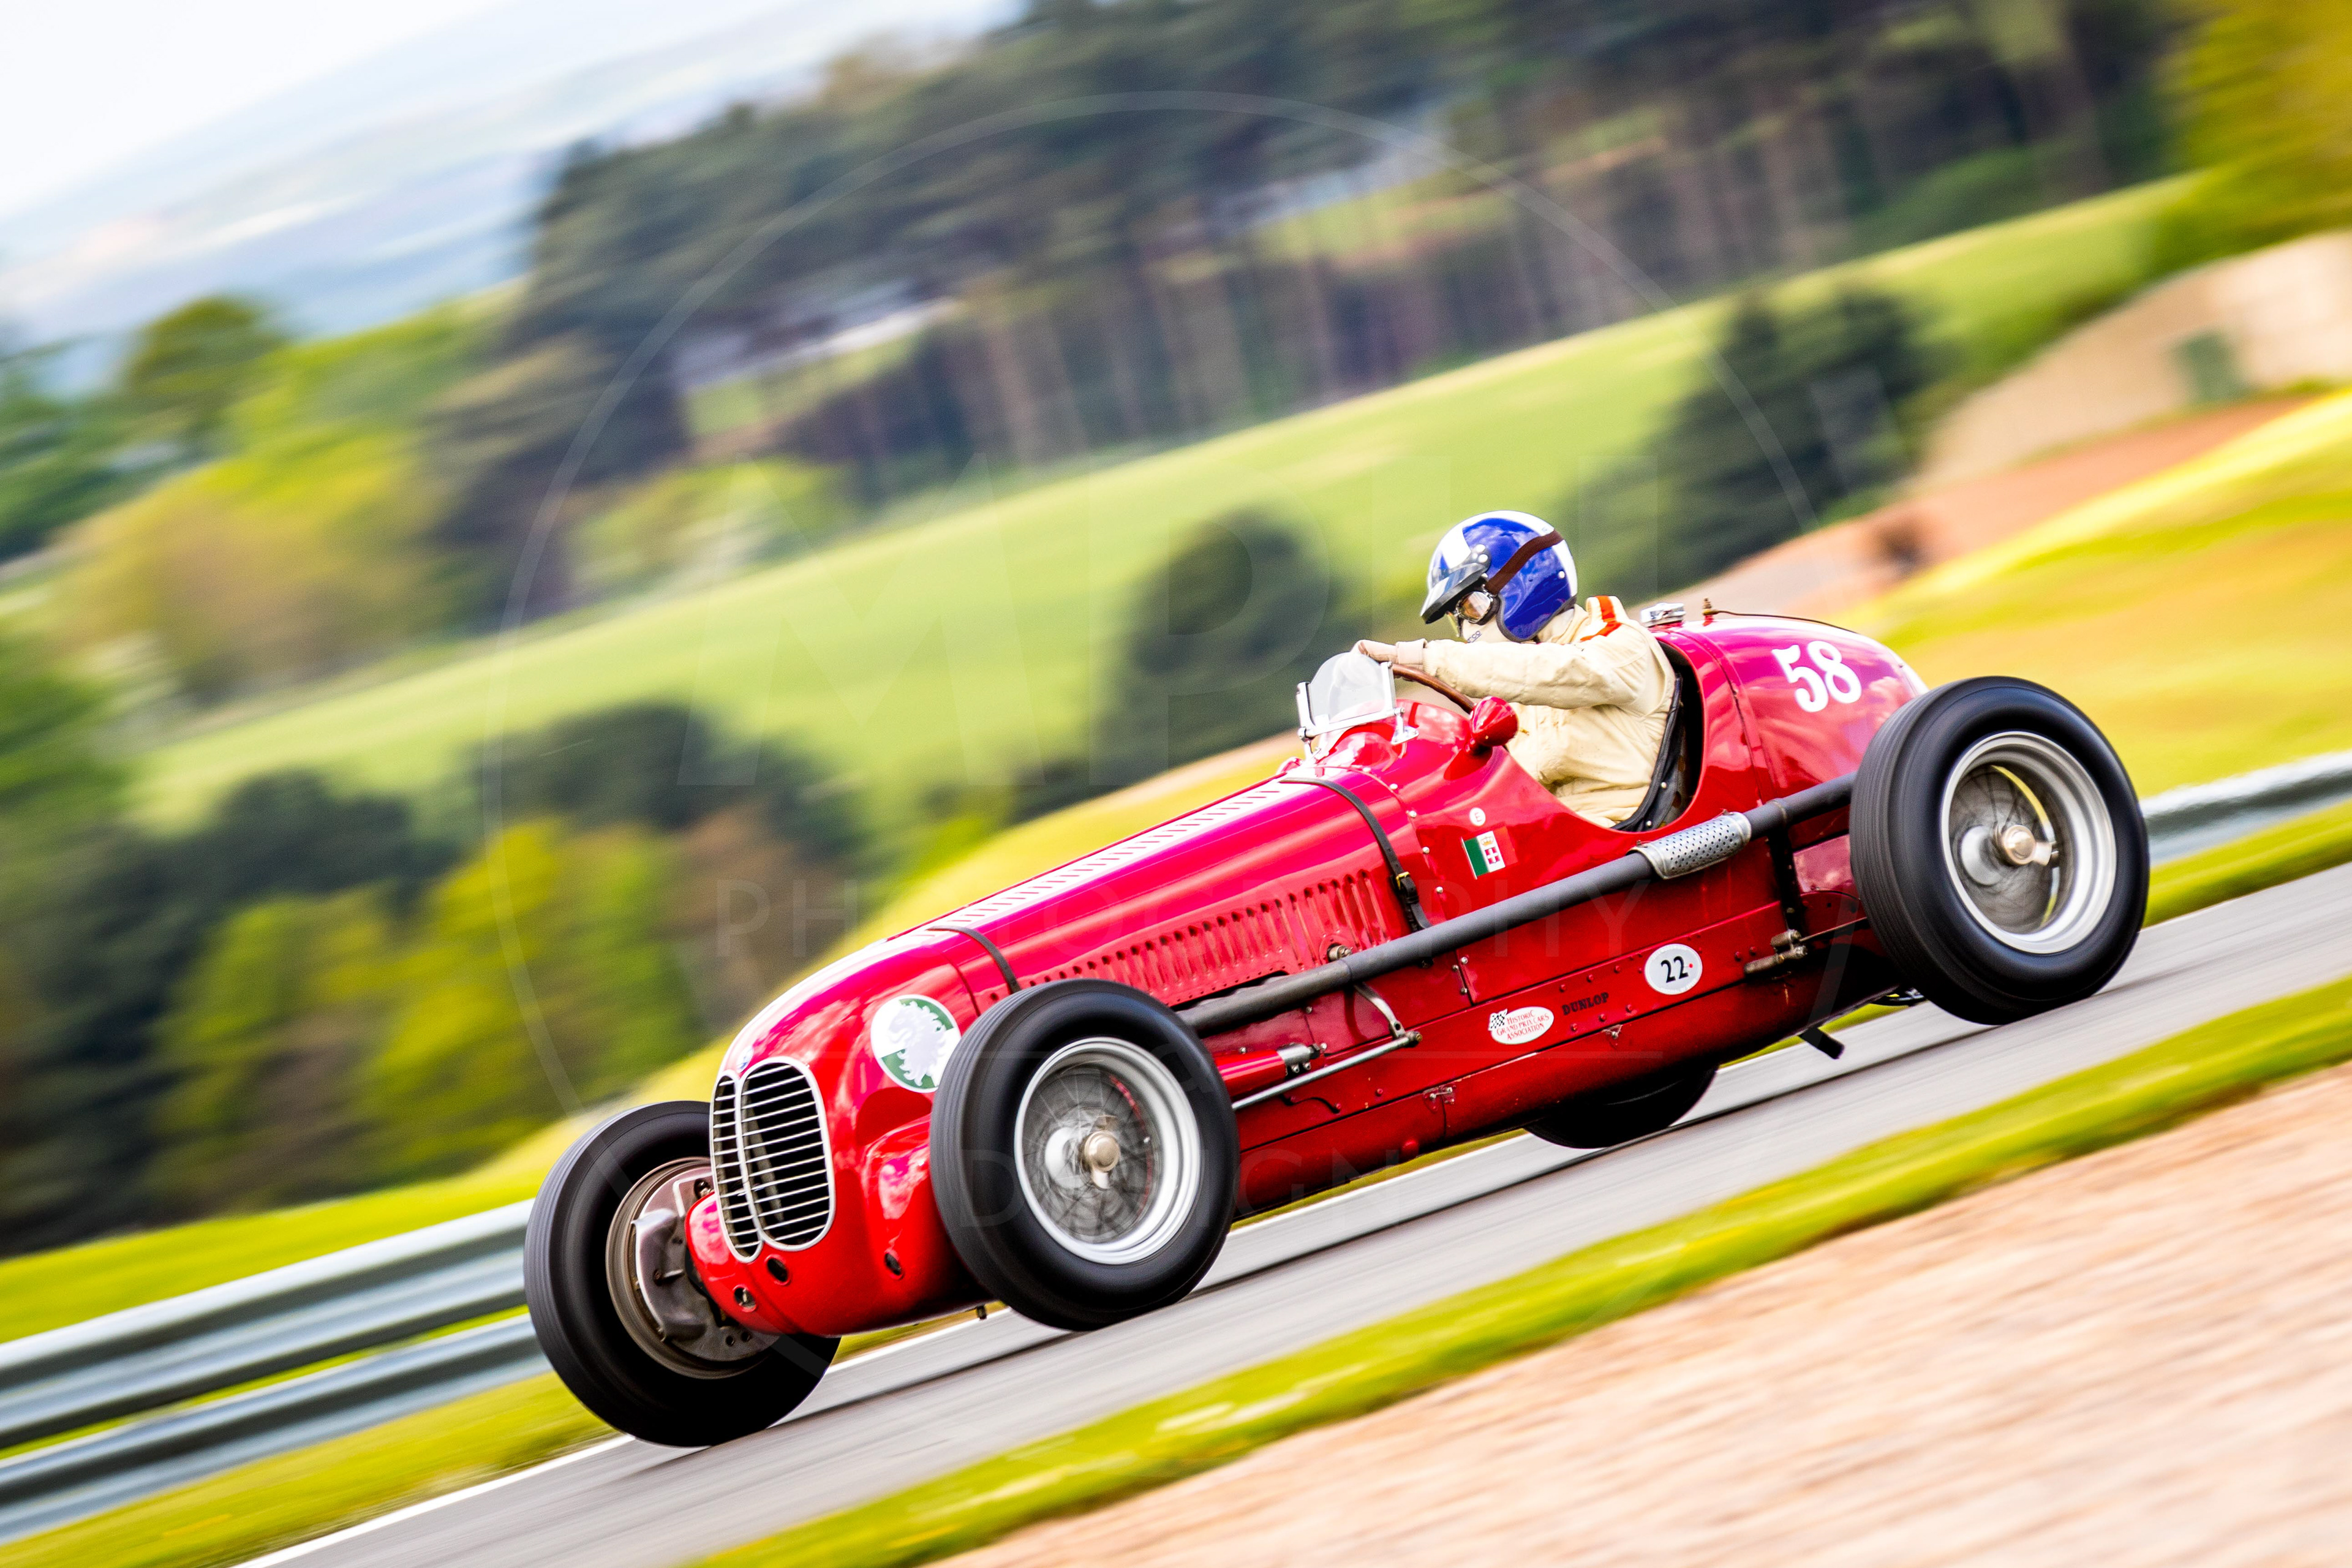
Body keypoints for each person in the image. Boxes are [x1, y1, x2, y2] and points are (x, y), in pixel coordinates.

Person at [1356, 510, 1675, 827]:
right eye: (1458, 617)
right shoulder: (1512, 682)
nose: (1467, 628)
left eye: (1471, 607)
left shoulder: (1619, 645)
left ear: (1524, 581)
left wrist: (1424, 658)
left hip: (1626, 842)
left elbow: (1558, 672)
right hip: (1556, 841)